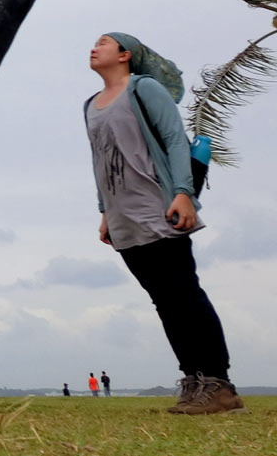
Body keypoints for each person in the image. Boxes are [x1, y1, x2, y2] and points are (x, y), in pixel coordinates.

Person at [85, 33, 246, 415]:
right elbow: (98, 159)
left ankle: (218, 384)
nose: (94, 47)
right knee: (164, 301)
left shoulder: (144, 89)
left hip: (158, 206)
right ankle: (194, 380)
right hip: (122, 216)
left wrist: (183, 192)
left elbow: (175, 140)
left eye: (104, 43)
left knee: (184, 294)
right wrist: (104, 211)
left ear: (125, 55)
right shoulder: (90, 105)